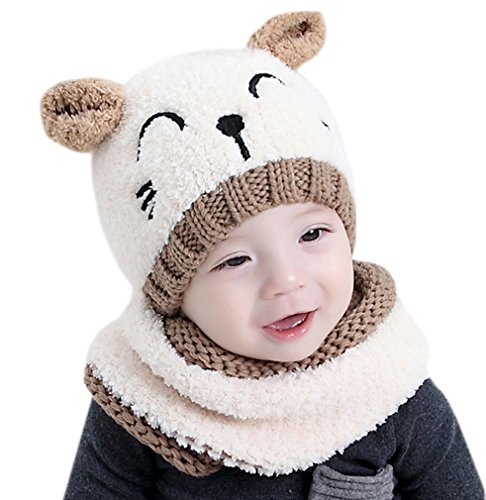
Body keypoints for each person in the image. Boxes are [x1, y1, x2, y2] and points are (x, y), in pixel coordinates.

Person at [40, 11, 484, 499]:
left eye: (312, 234)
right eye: (234, 261)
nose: (287, 279)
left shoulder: (388, 384)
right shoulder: (143, 399)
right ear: (174, 292)